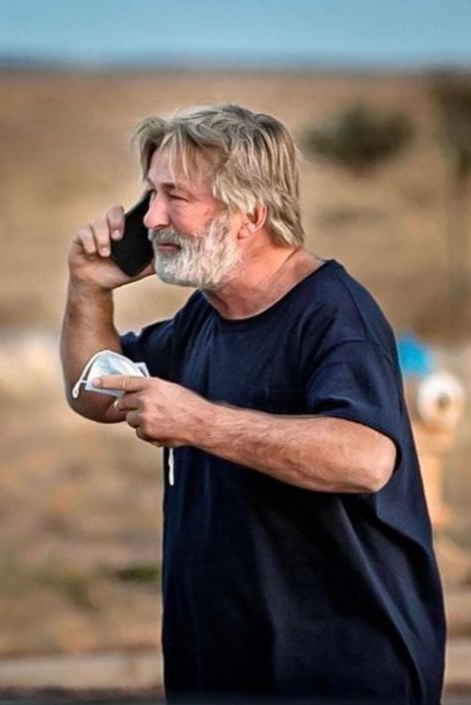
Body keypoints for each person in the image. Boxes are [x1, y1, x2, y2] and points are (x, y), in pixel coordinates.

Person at [60, 104, 445, 704]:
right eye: (150, 195)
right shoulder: (205, 316)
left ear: (250, 215)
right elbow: (97, 391)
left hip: (338, 674)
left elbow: (366, 458)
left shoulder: (333, 315)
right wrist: (87, 287)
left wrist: (199, 421)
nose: (152, 217)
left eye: (174, 197)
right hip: (216, 666)